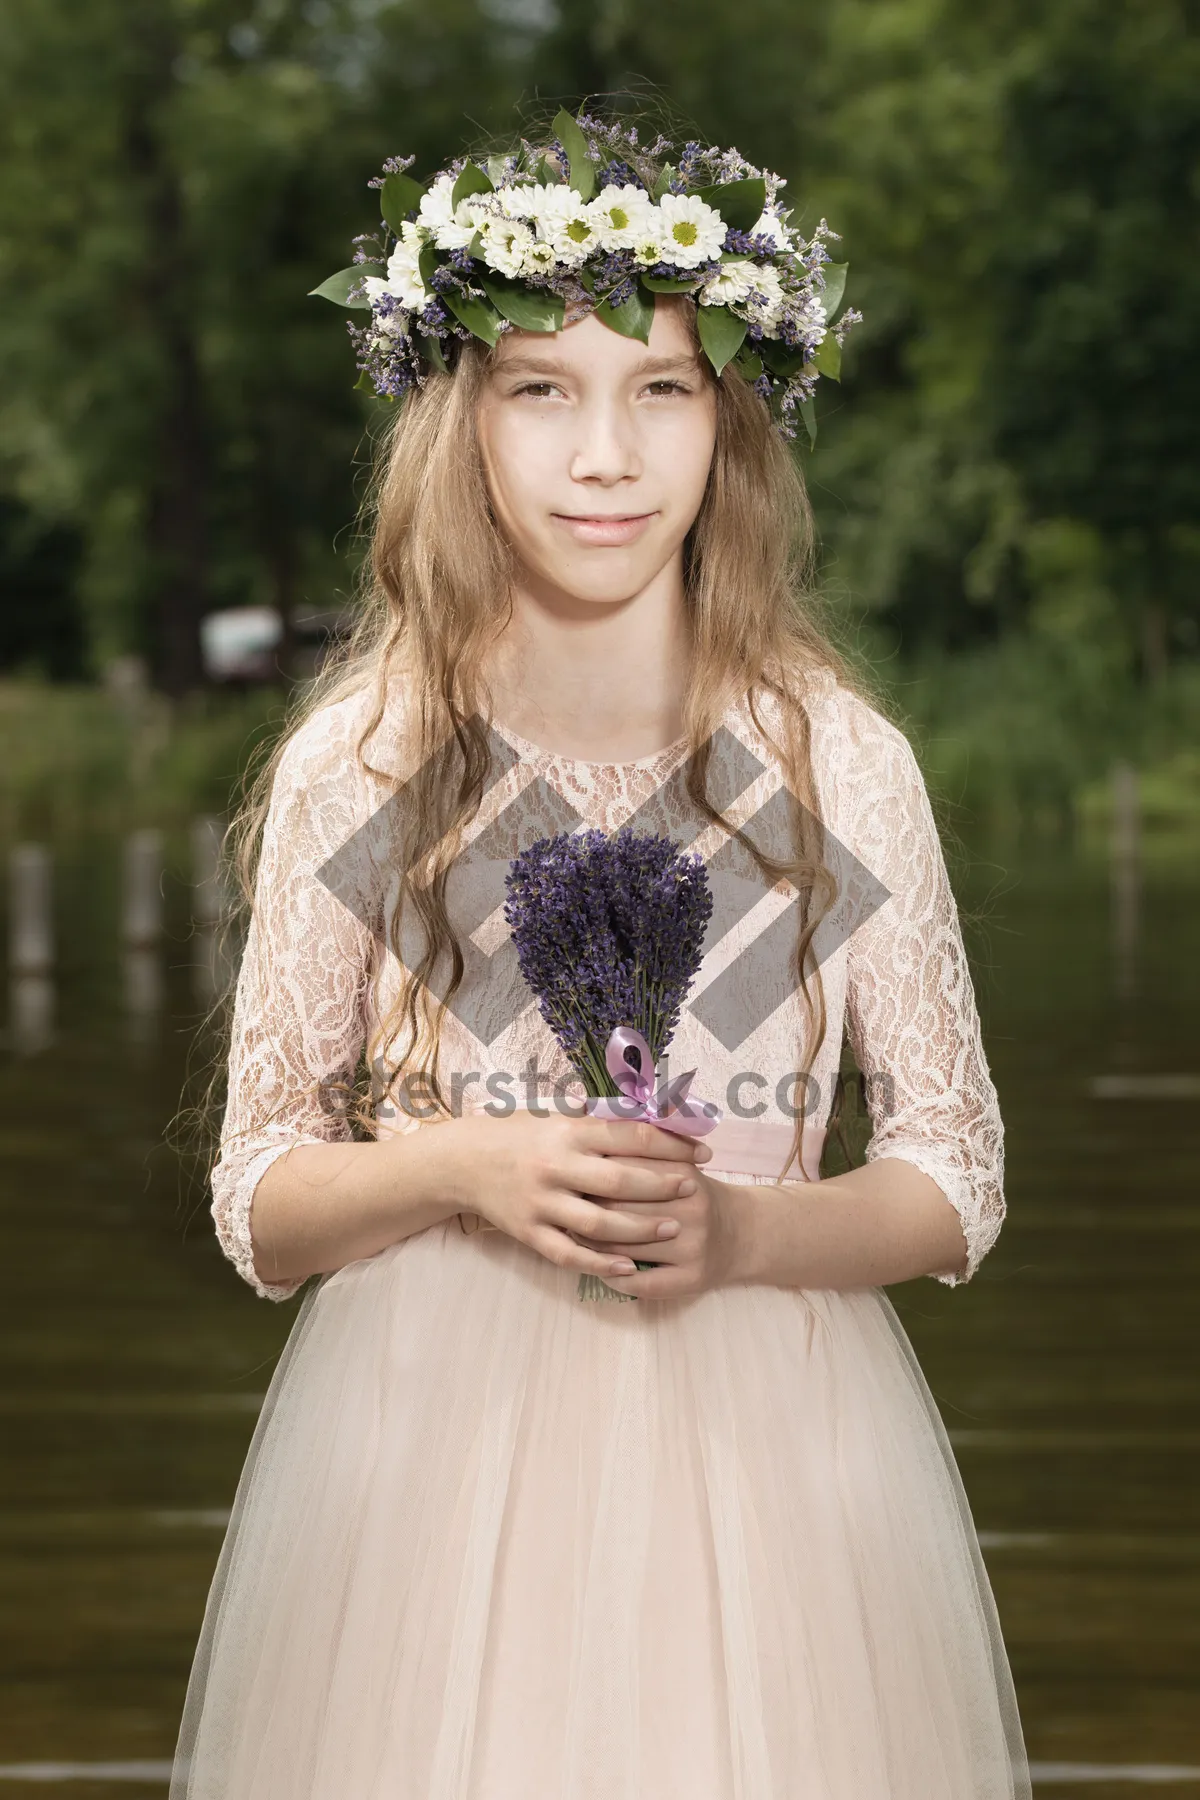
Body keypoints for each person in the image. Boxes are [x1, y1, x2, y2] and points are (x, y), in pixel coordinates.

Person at [170, 111, 1031, 1799]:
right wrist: (470, 1165)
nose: (606, 457)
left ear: (733, 423)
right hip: (427, 1463)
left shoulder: (832, 761)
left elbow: (955, 1176)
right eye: (541, 391)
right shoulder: (371, 759)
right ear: (460, 424)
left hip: (777, 1462)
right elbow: (258, 1196)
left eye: (663, 390)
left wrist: (742, 1230)